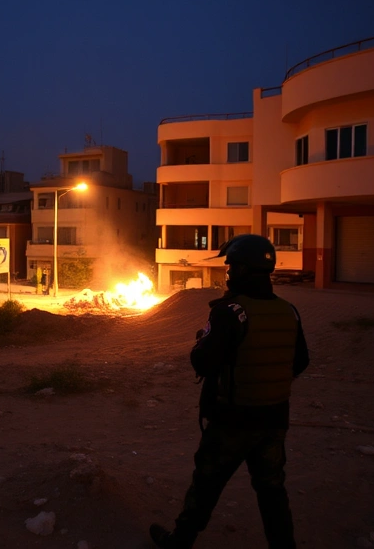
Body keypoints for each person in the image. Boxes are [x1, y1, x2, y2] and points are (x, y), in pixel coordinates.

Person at [150, 234, 310, 549]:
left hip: (232, 421)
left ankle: (179, 542)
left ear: (243, 270)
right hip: (274, 419)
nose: (228, 273)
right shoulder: (288, 311)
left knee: (206, 486)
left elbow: (203, 363)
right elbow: (300, 361)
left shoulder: (230, 311)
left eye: (231, 267)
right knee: (272, 491)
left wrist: (202, 342)